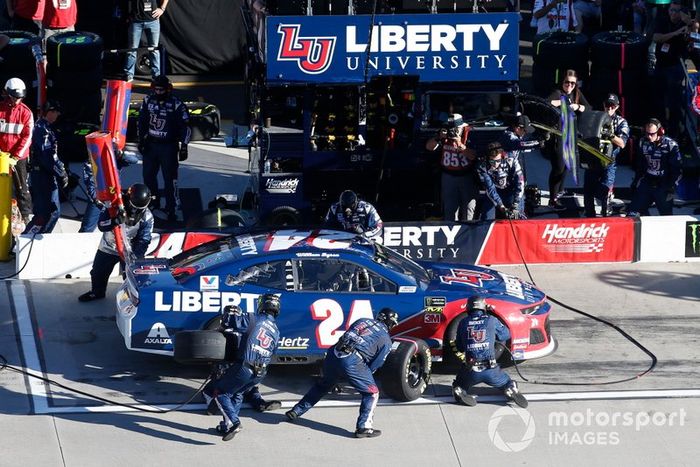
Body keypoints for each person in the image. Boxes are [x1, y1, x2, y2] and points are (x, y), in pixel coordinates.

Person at [286, 308, 398, 438]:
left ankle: (296, 410)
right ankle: (364, 427)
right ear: (390, 323)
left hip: (333, 354)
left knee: (323, 385)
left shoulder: (362, 321)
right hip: (353, 360)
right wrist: (362, 375)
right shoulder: (386, 340)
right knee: (372, 393)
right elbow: (375, 365)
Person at [211, 293, 281, 441]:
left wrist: (228, 312)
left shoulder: (253, 318)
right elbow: (273, 352)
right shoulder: (276, 331)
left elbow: (231, 321)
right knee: (237, 394)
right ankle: (226, 425)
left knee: (220, 392)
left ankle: (234, 423)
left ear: (261, 305)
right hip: (260, 373)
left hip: (244, 367)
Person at [78, 183, 154, 302]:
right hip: (108, 246)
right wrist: (114, 221)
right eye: (133, 206)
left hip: (129, 251)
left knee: (133, 277)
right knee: (98, 272)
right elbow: (101, 225)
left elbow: (144, 238)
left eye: (139, 209)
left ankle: (133, 298)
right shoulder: (112, 206)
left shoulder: (147, 216)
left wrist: (136, 255)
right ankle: (97, 292)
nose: (134, 211)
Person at [202, 304, 282, 417]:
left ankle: (254, 402)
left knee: (244, 387)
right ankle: (256, 402)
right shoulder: (247, 330)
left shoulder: (245, 329)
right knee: (242, 387)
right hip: (236, 369)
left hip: (237, 368)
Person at [451, 295, 527, 409]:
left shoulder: (463, 323)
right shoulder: (491, 320)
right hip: (491, 370)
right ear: (483, 307)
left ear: (468, 308)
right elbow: (506, 334)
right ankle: (510, 388)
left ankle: (459, 390)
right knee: (507, 382)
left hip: (471, 371)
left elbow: (460, 347)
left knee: (458, 383)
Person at [138, 75, 190, 222]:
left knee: (170, 180)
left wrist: (184, 146)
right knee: (148, 177)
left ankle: (171, 207)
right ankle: (152, 202)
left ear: (168, 89)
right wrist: (141, 140)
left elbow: (185, 127)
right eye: (156, 89)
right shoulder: (148, 100)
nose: (159, 92)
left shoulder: (177, 104)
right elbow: (141, 121)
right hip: (151, 146)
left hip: (169, 147)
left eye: (162, 90)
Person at [547, 69, 590, 210]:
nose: (569, 85)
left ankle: (559, 193)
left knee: (566, 167)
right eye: (567, 82)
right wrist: (562, 102)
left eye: (573, 83)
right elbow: (546, 103)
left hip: (571, 136)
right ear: (562, 82)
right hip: (558, 137)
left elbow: (589, 108)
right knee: (558, 168)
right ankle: (553, 198)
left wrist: (578, 106)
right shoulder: (558, 93)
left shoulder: (576, 94)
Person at [583, 94, 630, 217]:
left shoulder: (621, 122)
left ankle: (605, 215)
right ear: (603, 105)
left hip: (609, 162)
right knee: (588, 191)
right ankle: (589, 216)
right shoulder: (595, 117)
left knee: (603, 191)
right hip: (593, 159)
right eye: (607, 105)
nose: (609, 108)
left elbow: (622, 143)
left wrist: (611, 135)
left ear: (617, 107)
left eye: (612, 105)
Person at [424, 113, 478, 221]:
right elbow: (429, 147)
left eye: (454, 128)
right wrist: (438, 137)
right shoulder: (444, 134)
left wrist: (460, 144)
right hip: (448, 176)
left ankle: (467, 234)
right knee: (449, 209)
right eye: (450, 128)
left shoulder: (469, 133)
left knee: (468, 209)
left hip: (466, 176)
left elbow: (473, 156)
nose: (452, 131)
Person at [652, 1, 693, 138]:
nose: (673, 13)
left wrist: (689, 25)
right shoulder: (663, 21)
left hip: (675, 66)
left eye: (676, 11)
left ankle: (674, 132)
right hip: (661, 64)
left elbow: (692, 35)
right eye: (671, 10)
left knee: (673, 101)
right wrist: (676, 33)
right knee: (658, 99)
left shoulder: (684, 25)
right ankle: (659, 128)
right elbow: (656, 38)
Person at [26, 100, 67, 233]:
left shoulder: (48, 128)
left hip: (49, 175)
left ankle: (41, 240)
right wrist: (60, 174)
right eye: (55, 112)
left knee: (54, 212)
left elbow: (53, 156)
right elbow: (47, 158)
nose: (57, 115)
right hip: (41, 176)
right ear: (48, 112)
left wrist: (63, 171)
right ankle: (23, 242)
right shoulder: (41, 129)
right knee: (42, 215)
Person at [628, 118, 682, 216]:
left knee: (666, 216)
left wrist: (672, 186)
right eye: (647, 133)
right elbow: (640, 165)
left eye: (652, 134)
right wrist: (636, 181)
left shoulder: (671, 145)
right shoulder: (642, 142)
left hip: (664, 183)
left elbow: (677, 169)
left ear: (660, 132)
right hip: (648, 181)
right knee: (633, 211)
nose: (649, 136)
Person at [0, 78, 34, 223]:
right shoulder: (0, 109)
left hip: (18, 158)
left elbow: (27, 137)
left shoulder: (26, 113)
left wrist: (16, 156)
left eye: (19, 98)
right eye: (14, 97)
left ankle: (26, 217)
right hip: (2, 156)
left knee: (21, 187)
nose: (16, 101)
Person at [477, 142, 526, 220]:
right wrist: (501, 206)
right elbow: (490, 189)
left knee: (517, 216)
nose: (495, 164)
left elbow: (520, 183)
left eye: (498, 161)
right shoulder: (482, 166)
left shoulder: (511, 160)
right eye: (492, 161)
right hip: (495, 192)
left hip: (511, 192)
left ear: (502, 156)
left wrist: (516, 204)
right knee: (486, 218)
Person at [124, 0, 169, 80]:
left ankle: (156, 75)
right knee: (132, 49)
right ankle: (129, 74)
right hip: (136, 21)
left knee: (154, 49)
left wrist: (162, 9)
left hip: (153, 21)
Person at [500, 114, 540, 179]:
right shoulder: (508, 136)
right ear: (517, 129)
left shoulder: (517, 135)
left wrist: (537, 145)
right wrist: (537, 142)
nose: (526, 133)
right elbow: (520, 144)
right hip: (502, 168)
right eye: (525, 131)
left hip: (513, 165)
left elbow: (522, 148)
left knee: (520, 184)